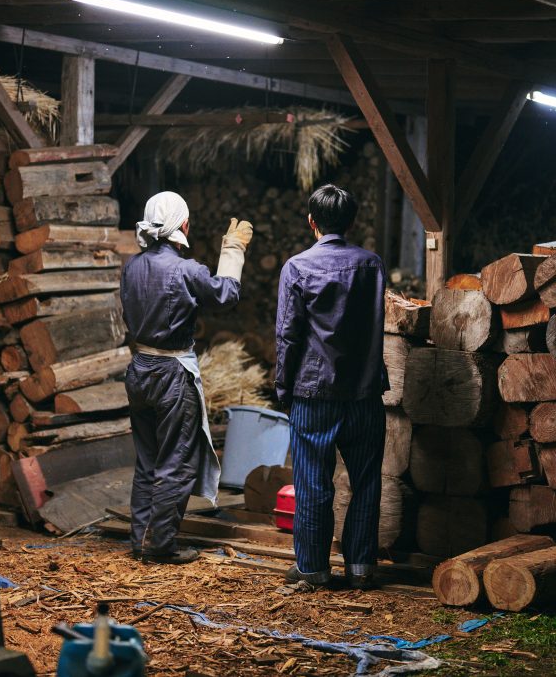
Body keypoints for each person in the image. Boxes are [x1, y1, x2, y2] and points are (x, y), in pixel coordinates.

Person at [120, 191, 254, 564]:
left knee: (148, 460)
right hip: (171, 373)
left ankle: (141, 539)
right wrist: (233, 250)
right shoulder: (186, 269)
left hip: (139, 368)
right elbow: (226, 296)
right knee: (175, 461)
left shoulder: (131, 267)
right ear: (184, 225)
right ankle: (160, 545)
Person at [275, 183, 388, 590]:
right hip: (364, 393)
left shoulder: (297, 267)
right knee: (366, 481)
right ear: (351, 222)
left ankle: (313, 569)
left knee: (313, 483)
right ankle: (360, 567)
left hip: (313, 393)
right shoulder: (371, 265)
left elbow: (288, 335)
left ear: (312, 221)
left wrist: (283, 388)